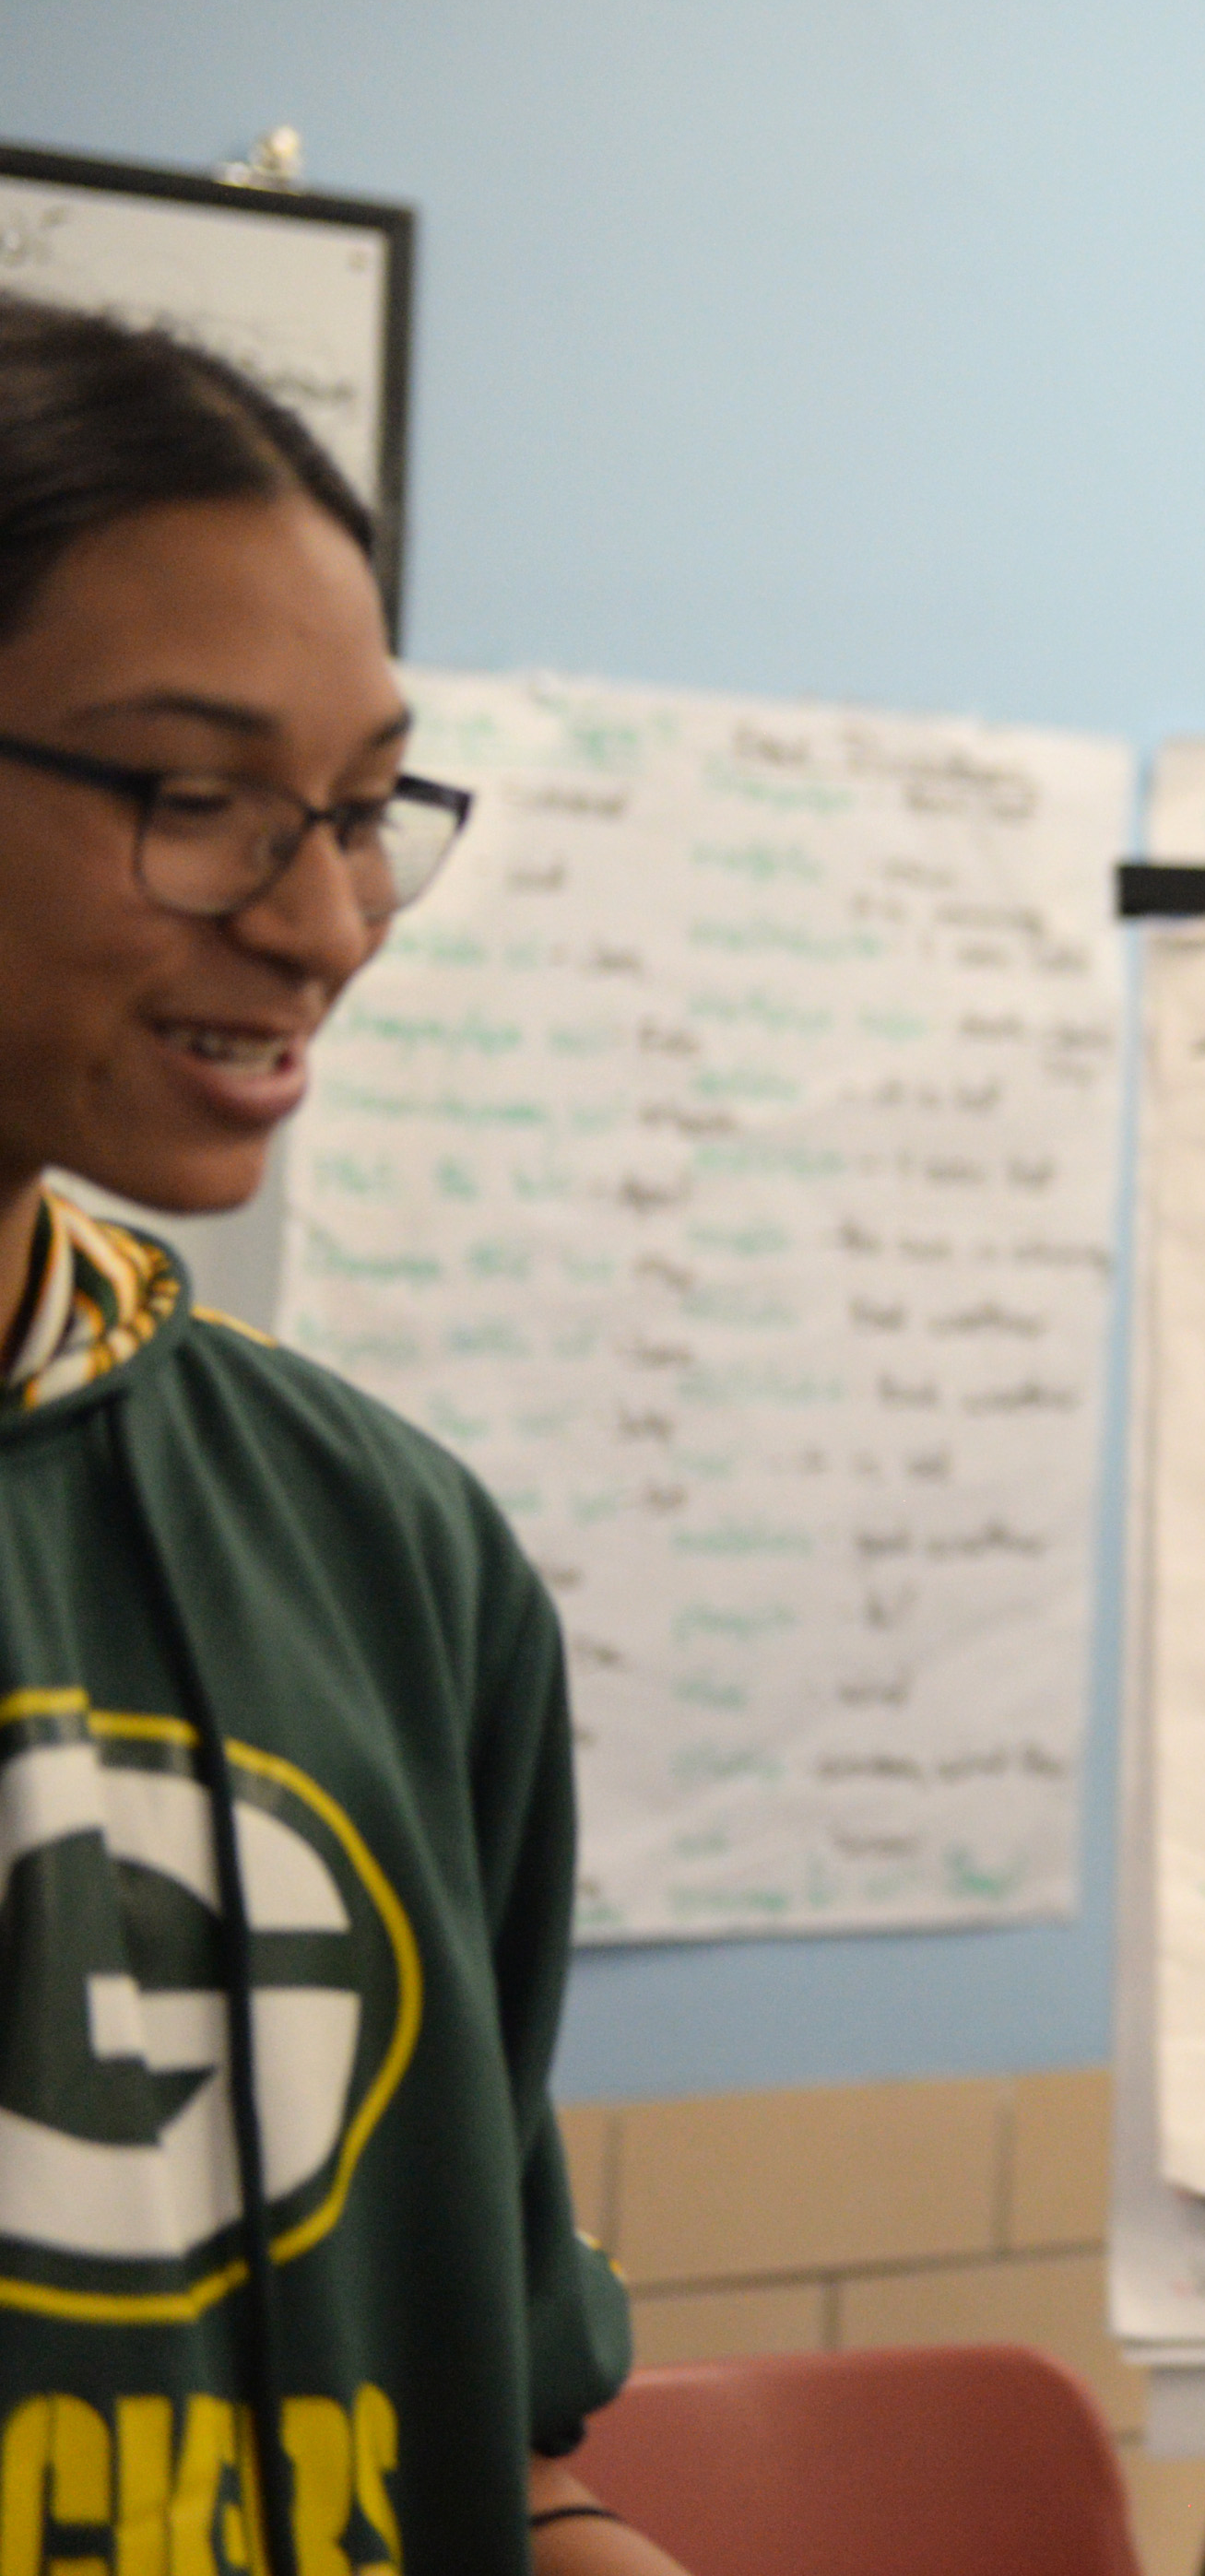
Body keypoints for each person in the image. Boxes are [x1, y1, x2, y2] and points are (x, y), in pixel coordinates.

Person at [0, 300, 687, 2575]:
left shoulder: (387, 1552)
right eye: (196, 801)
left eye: (367, 808)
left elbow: (499, 2446)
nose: (324, 922)